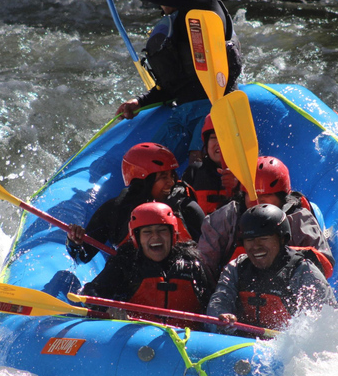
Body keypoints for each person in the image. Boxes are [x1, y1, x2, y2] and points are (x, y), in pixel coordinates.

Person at [88, 0, 243, 162]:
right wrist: (140, 102)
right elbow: (171, 86)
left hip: (215, 106)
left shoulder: (204, 1)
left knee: (198, 160)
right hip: (183, 112)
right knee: (150, 163)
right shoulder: (170, 30)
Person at [197, 156, 334, 287]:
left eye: (266, 195)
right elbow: (204, 264)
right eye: (251, 195)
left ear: (282, 197)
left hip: (284, 293)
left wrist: (285, 256)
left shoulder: (299, 220)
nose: (257, 202)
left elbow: (324, 265)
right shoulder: (227, 217)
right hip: (234, 293)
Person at [207, 204, 337, 332]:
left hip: (286, 347)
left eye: (264, 239)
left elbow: (326, 325)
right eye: (249, 240)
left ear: (282, 239)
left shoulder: (303, 271)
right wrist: (221, 317)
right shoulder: (236, 268)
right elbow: (220, 300)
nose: (256, 246)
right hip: (241, 344)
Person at [67, 142, 204, 263]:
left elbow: (211, 254)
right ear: (144, 182)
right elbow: (82, 256)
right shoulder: (115, 211)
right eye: (163, 177)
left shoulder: (186, 207)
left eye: (172, 175)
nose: (171, 182)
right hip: (135, 284)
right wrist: (75, 242)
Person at [80, 202, 210, 325]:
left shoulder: (193, 264)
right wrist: (107, 308)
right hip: (137, 340)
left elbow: (211, 302)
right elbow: (91, 292)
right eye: (147, 232)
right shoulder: (124, 263)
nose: (155, 237)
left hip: (188, 340)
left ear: (173, 235)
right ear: (137, 238)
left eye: (162, 230)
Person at [182, 114, 239, 215]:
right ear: (206, 144)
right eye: (213, 137)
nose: (219, 143)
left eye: (225, 137)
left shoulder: (249, 173)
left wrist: (238, 187)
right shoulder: (193, 172)